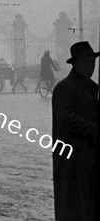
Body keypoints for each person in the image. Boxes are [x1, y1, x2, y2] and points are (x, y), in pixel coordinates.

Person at [52, 41, 98, 221]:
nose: (91, 67)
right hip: (71, 159)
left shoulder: (93, 88)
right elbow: (67, 120)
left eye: (93, 63)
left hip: (89, 157)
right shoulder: (64, 88)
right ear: (76, 64)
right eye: (87, 63)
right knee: (72, 206)